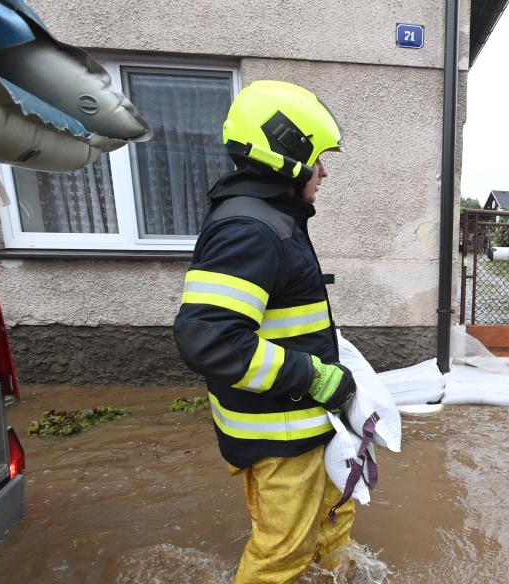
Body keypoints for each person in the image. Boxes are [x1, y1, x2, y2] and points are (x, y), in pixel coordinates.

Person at [172, 80, 358, 583]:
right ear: (288, 155)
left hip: (302, 425)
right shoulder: (249, 228)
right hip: (279, 435)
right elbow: (207, 336)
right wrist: (314, 377)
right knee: (282, 558)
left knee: (334, 520)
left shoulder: (275, 219)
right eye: (318, 158)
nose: (324, 171)